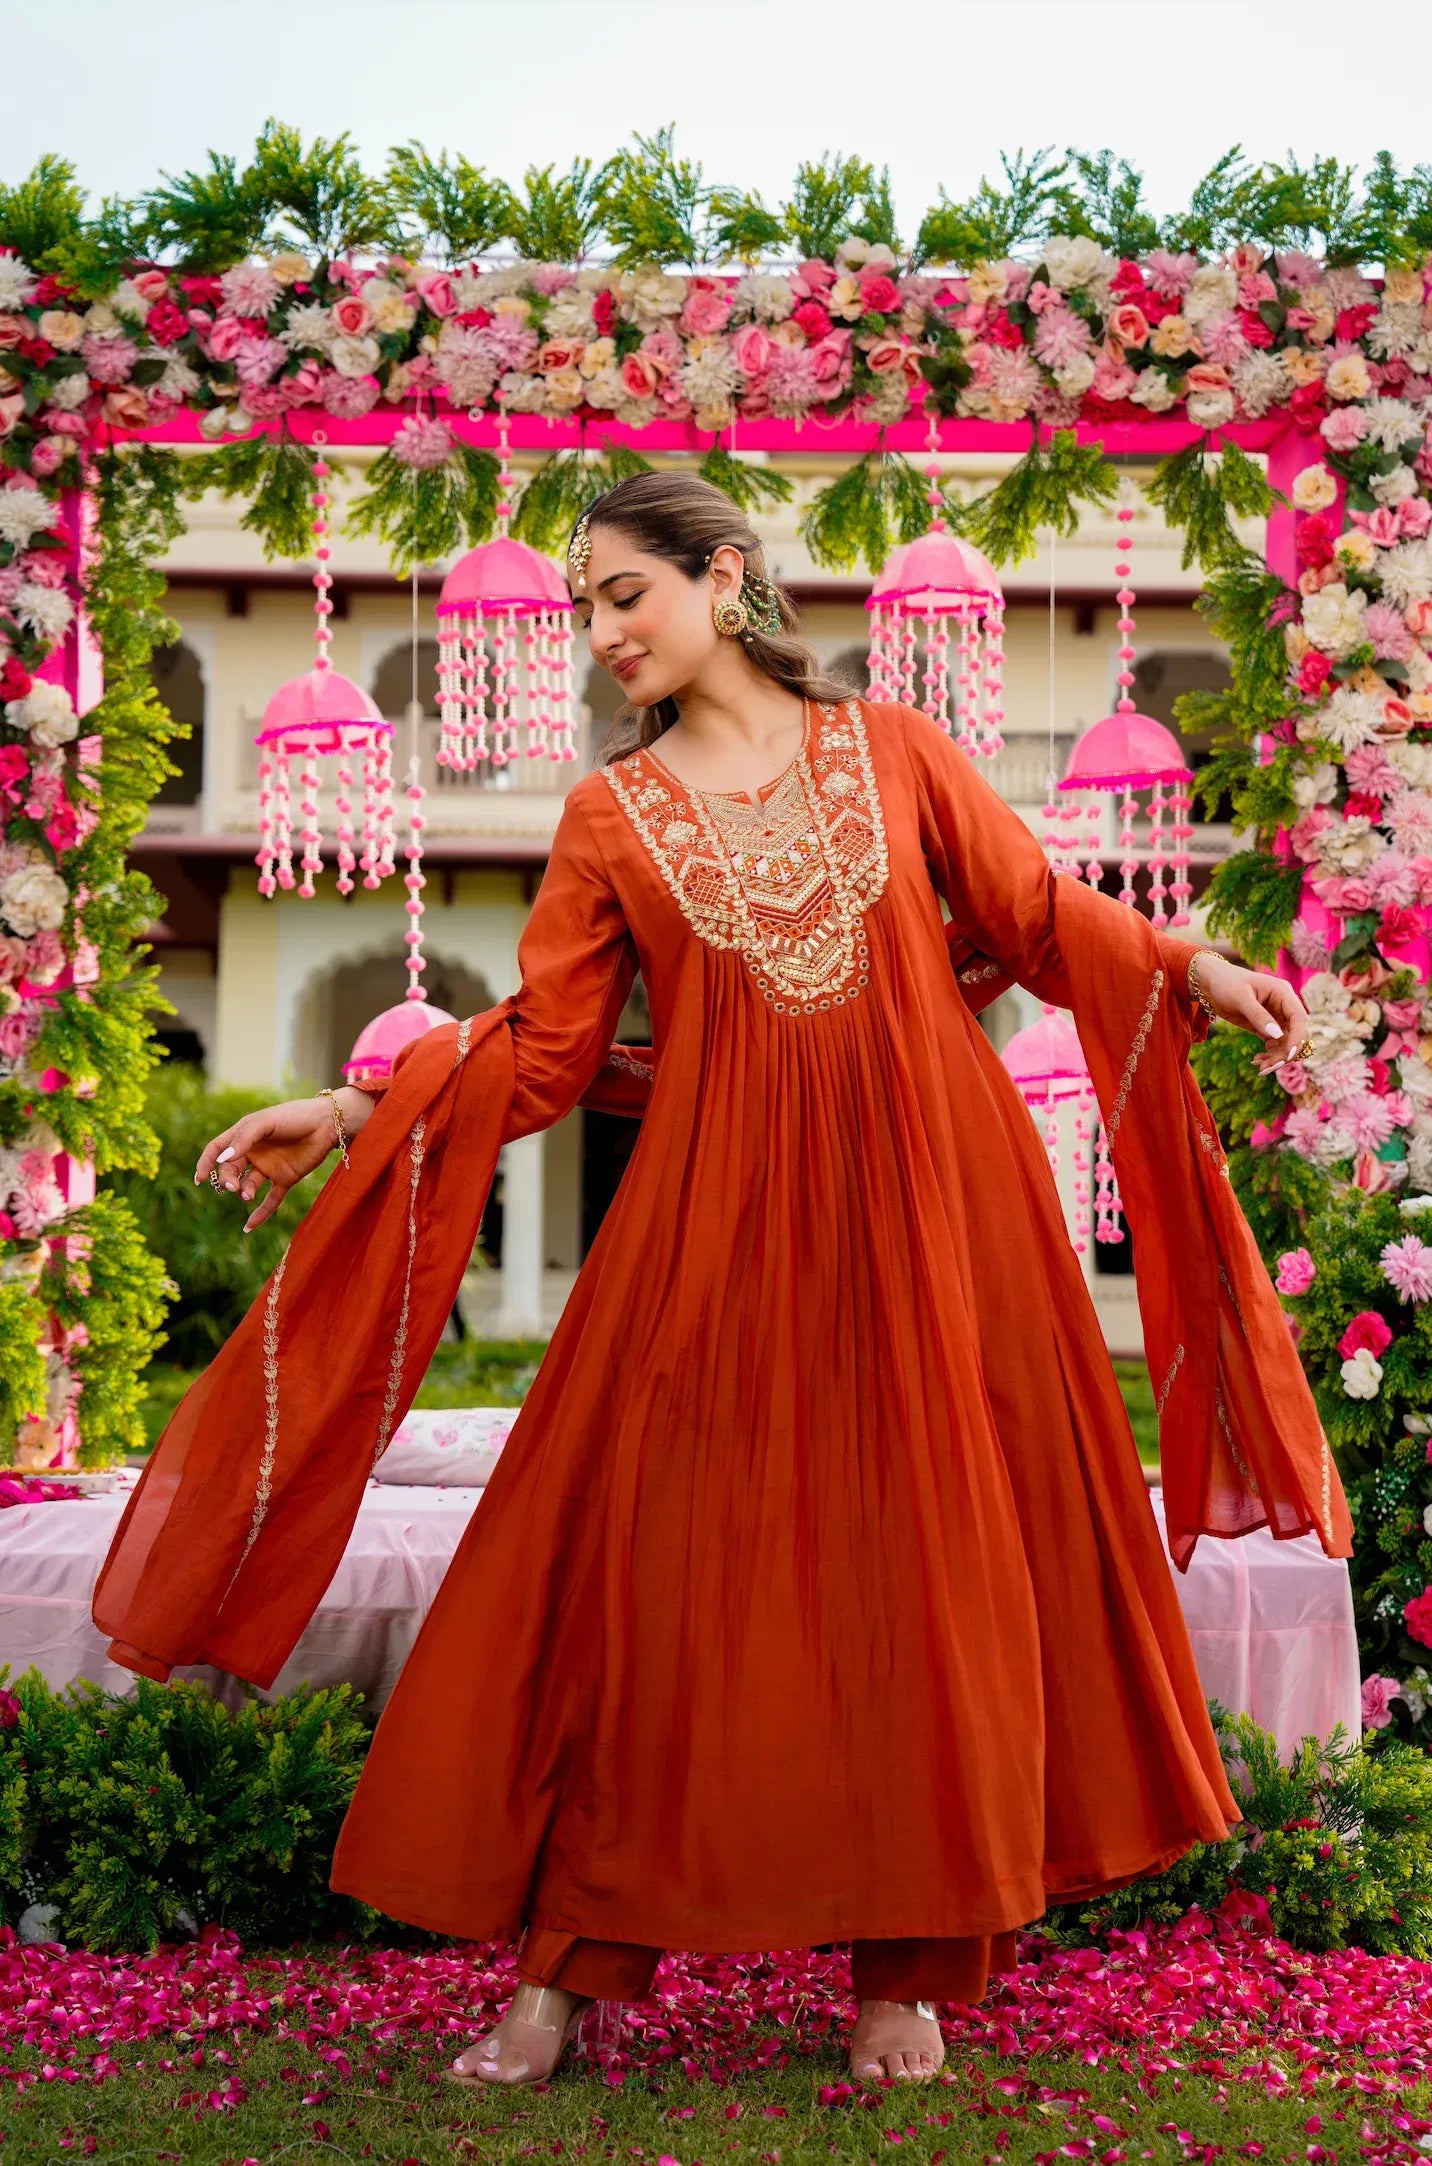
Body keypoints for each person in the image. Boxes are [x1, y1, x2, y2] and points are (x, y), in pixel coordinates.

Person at [129, 474, 1339, 2091]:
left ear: (727, 576)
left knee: (919, 1568)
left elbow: (1037, 915)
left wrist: (1192, 963)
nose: (602, 634)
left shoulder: (896, 751)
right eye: (583, 610)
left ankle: (905, 1965)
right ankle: (569, 1966)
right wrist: (357, 1106)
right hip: (713, 1224)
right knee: (640, 1565)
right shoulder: (607, 819)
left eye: (627, 595)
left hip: (934, 1214)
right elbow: (549, 1049)